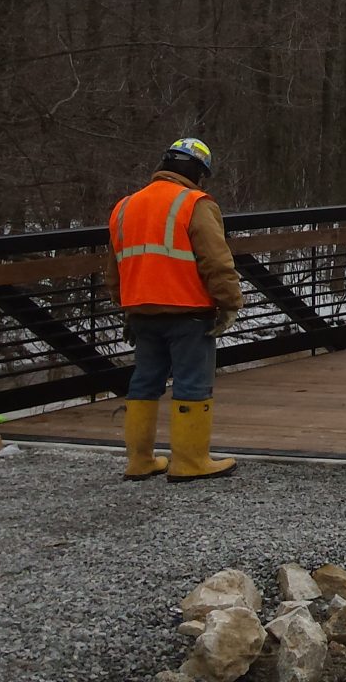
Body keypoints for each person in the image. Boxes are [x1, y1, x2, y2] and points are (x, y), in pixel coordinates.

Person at [109, 138, 242, 482]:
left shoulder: (125, 206)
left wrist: (125, 306)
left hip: (141, 311)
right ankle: (190, 461)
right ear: (197, 171)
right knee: (193, 384)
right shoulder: (194, 203)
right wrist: (229, 303)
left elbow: (114, 267)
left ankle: (140, 461)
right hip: (189, 311)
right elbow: (216, 261)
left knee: (144, 382)